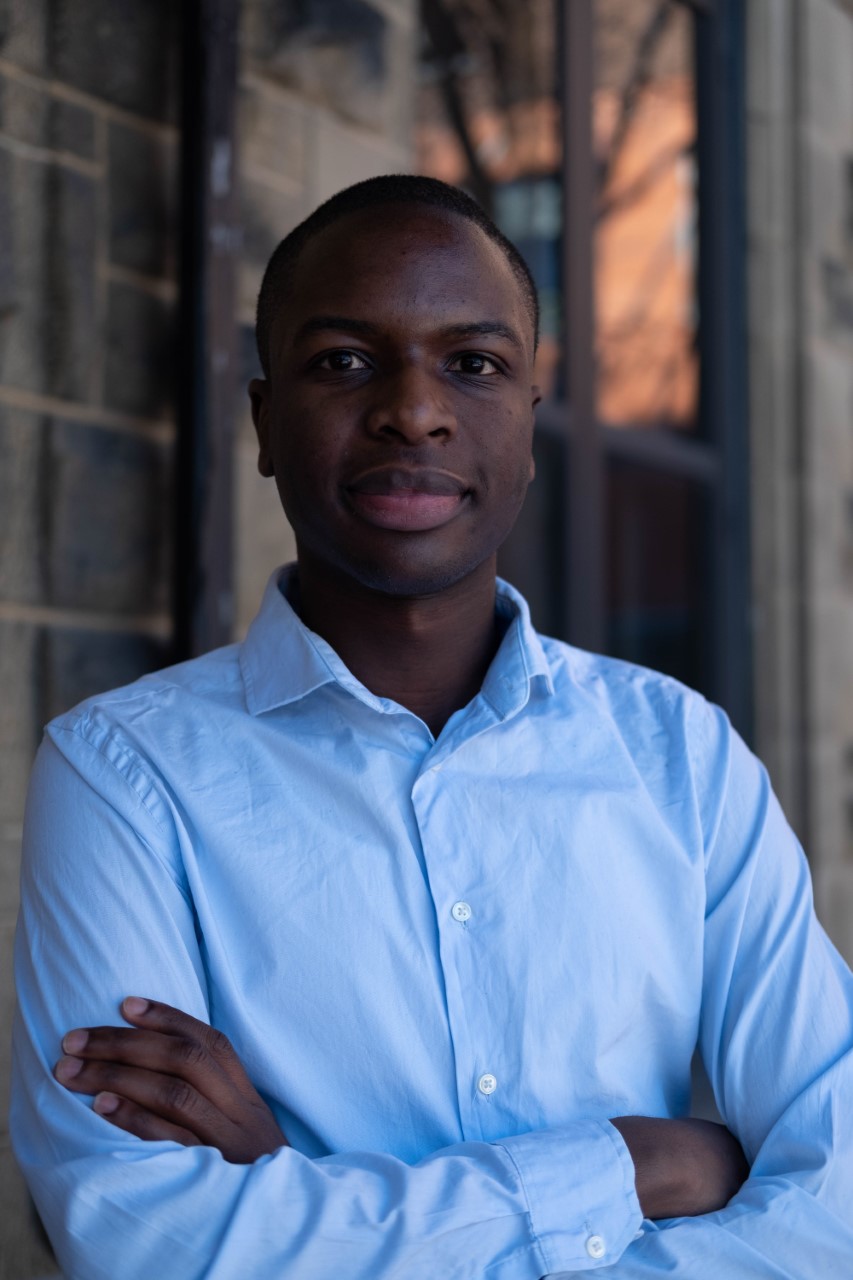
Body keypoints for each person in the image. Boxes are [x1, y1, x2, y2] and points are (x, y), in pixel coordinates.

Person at [11, 175, 853, 1279]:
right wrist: (625, 1169)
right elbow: (149, 1241)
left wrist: (291, 1188)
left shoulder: (680, 758)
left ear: (531, 424)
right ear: (263, 423)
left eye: (474, 362)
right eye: (344, 361)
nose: (413, 408)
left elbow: (832, 1206)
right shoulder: (126, 772)